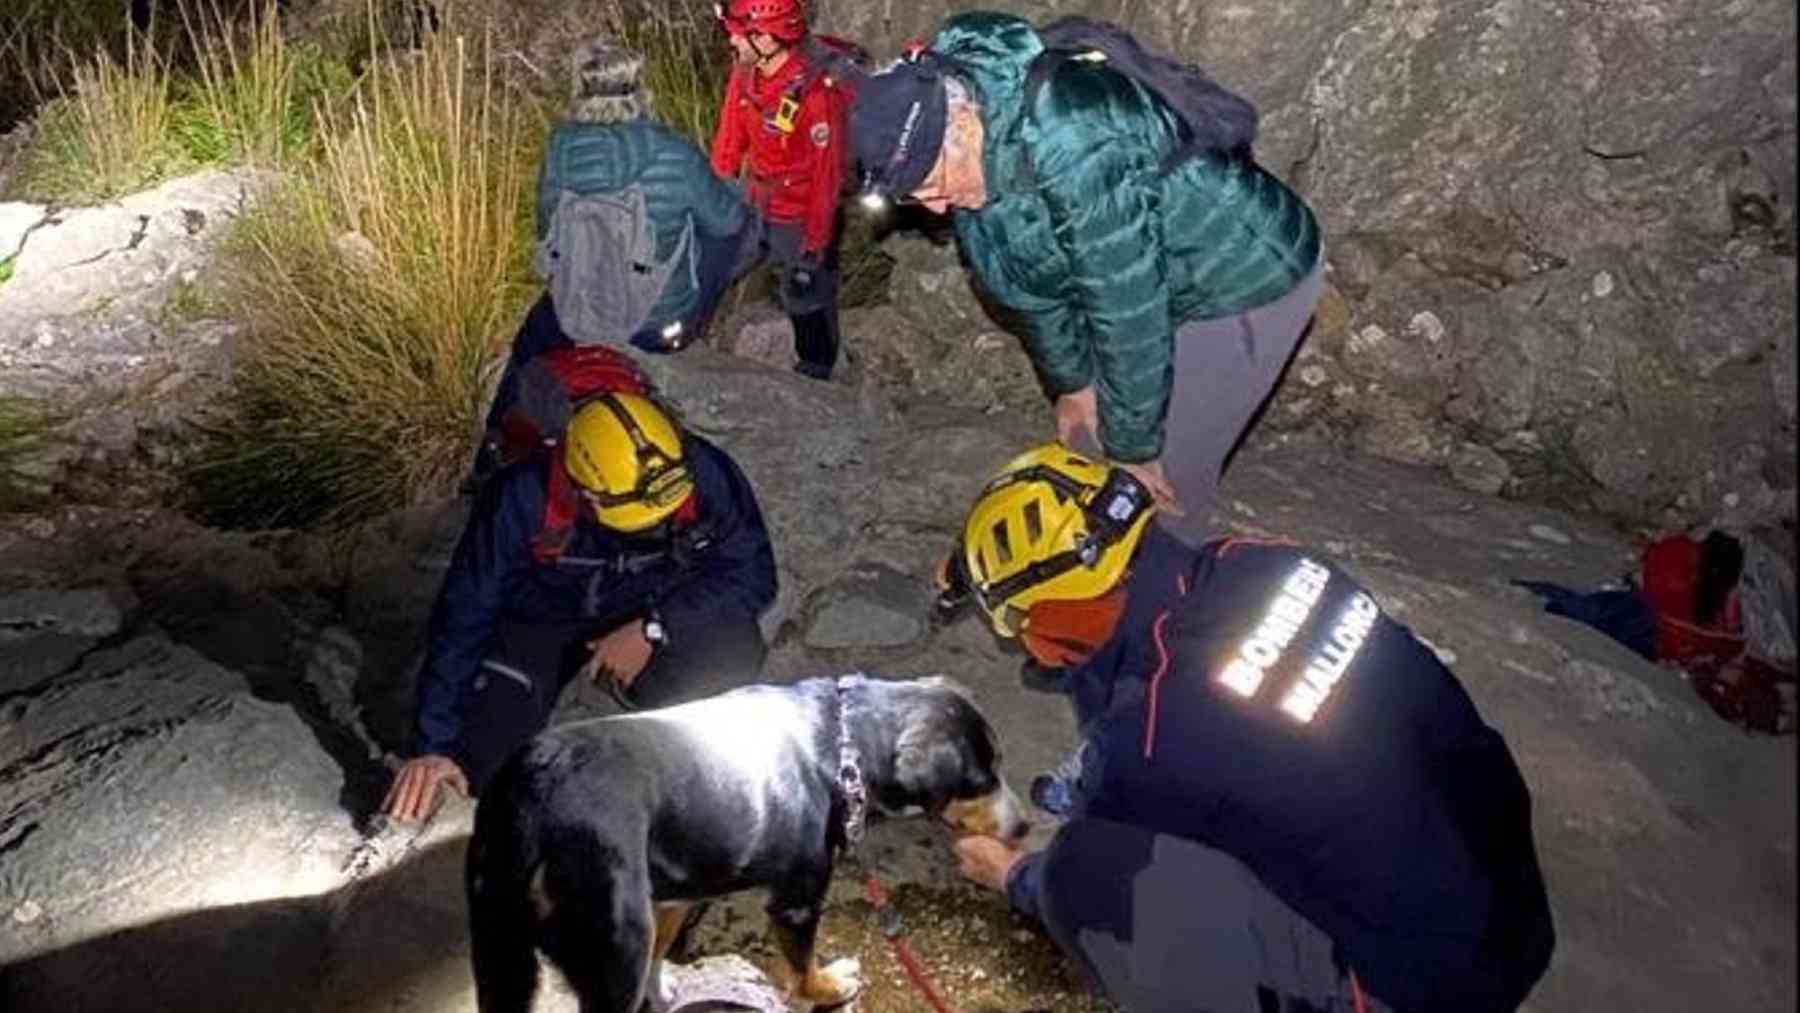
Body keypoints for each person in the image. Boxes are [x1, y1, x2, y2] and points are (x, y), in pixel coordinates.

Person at [936, 443, 1556, 1012]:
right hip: (1510, 906)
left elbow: (1131, 780)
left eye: (1020, 627)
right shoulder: (1264, 562)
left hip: (1426, 990)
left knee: (1087, 872)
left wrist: (1017, 875)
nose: (1025, 645)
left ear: (1056, 614)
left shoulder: (1149, 739)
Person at [849, 13, 1326, 539]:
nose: (936, 209)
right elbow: (1025, 286)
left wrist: (1134, 453)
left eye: (933, 183)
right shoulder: (972, 138)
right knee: (1092, 453)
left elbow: (1127, 304)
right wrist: (1074, 384)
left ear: (961, 124)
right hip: (1158, 279)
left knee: (1155, 490)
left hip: (1245, 274)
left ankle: (1171, 599)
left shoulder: (1074, 136)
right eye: (916, 198)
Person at [383, 393, 778, 822]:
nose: (657, 523)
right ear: (584, 491)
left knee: (732, 648)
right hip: (539, 624)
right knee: (481, 761)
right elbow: (465, 613)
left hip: (642, 605)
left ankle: (655, 716)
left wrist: (655, 627)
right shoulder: (522, 497)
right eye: (638, 518)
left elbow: (754, 576)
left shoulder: (702, 473)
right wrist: (434, 746)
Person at [476, 37, 755, 478]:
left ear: (581, 92)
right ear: (640, 90)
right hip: (655, 328)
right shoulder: (673, 151)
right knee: (739, 220)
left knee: (528, 345)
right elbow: (725, 225)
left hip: (575, 318)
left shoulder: (558, 150)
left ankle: (490, 456)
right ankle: (694, 324)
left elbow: (547, 235)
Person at [710, 0, 853, 381]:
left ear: (768, 36)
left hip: (799, 213)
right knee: (713, 267)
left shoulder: (815, 94)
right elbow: (728, 142)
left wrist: (814, 246)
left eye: (740, 35)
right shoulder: (745, 75)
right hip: (755, 201)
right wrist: (713, 203)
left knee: (806, 295)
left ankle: (816, 369)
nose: (733, 42)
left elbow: (828, 177)